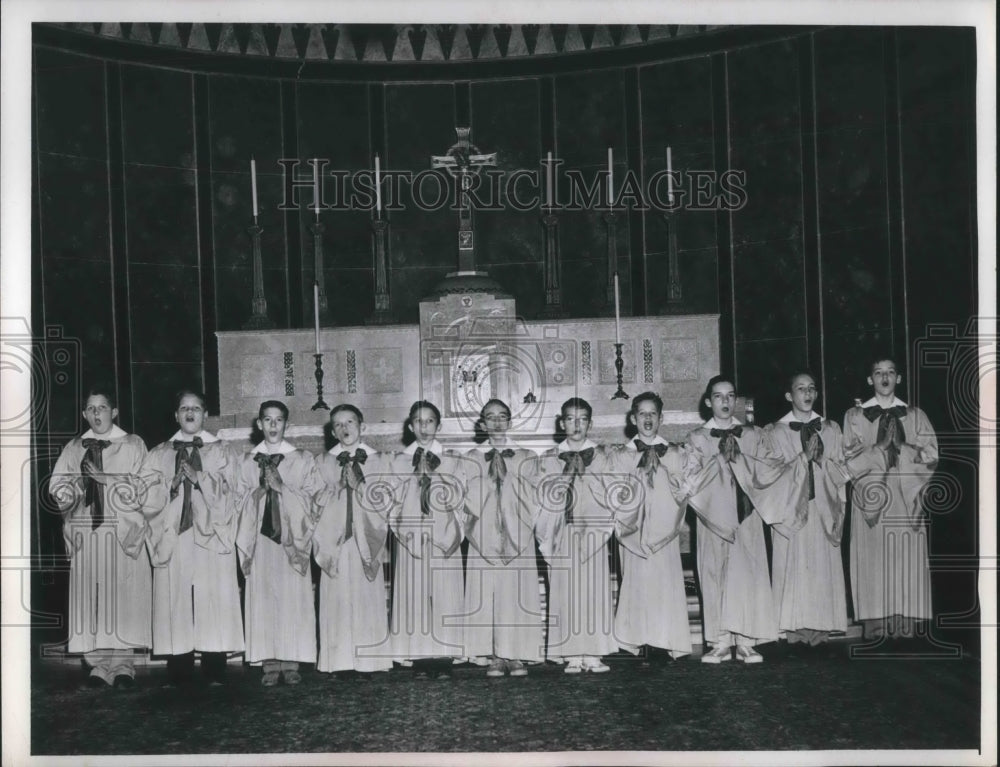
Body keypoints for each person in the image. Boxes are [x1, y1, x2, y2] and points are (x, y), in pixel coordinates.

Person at [48, 387, 151, 688]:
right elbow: (58, 487)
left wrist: (106, 479)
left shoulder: (132, 444)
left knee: (121, 596)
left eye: (102, 407)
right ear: (84, 413)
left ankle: (122, 664)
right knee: (93, 595)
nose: (96, 414)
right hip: (87, 530)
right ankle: (98, 664)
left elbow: (145, 486)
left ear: (114, 412)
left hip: (120, 529)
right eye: (90, 408)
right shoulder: (74, 447)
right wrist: (77, 487)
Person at [140, 389, 243, 686]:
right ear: (175, 414)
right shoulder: (159, 453)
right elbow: (144, 496)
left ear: (205, 415)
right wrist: (171, 486)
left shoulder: (222, 451)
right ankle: (179, 667)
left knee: (213, 596)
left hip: (211, 531)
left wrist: (200, 480)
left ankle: (214, 667)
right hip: (174, 531)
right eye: (184, 408)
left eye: (196, 408)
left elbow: (235, 492)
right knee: (175, 596)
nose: (189, 413)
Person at [530, 397, 640, 674]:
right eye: (570, 418)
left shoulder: (603, 456)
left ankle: (594, 652)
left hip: (594, 531)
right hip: (562, 531)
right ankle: (571, 653)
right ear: (561, 422)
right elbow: (540, 498)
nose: (576, 424)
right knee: (565, 591)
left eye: (582, 419)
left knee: (595, 591)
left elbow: (615, 492)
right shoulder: (548, 459)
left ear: (590, 423)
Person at [684, 376, 779, 664]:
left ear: (735, 400)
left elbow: (769, 471)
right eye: (718, 396)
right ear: (708, 401)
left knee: (747, 574)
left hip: (747, 515)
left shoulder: (753, 435)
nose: (725, 402)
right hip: (711, 517)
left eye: (730, 396)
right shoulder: (697, 438)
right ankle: (720, 641)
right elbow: (689, 481)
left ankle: (747, 641)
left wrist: (742, 461)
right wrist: (719, 461)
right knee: (714, 574)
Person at [842, 358, 937, 640]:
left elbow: (931, 454)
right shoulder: (856, 416)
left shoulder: (915, 415)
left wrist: (903, 449)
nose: (885, 377)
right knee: (874, 560)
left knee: (904, 558)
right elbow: (848, 459)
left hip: (906, 498)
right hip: (872, 498)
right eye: (878, 373)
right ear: (870, 380)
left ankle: (905, 627)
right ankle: (876, 626)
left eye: (891, 372)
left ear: (899, 378)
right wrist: (881, 449)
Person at [235, 400, 326, 686]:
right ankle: (269, 663)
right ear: (259, 424)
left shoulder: (302, 459)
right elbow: (238, 501)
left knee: (292, 599)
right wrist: (261, 492)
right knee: (263, 597)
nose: (273, 426)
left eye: (279, 420)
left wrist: (282, 489)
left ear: (287, 424)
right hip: (260, 539)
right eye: (267, 420)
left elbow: (315, 501)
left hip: (291, 539)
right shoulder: (246, 461)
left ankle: (291, 660)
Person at [757, 372, 849, 647]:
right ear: (789, 395)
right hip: (791, 512)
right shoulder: (774, 432)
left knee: (820, 568)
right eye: (800, 389)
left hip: (823, 508)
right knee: (793, 567)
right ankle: (793, 631)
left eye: (811, 389)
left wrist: (821, 461)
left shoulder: (831, 429)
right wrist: (802, 459)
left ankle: (820, 630)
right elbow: (768, 475)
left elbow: (843, 470)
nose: (807, 394)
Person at [387, 401, 469, 679]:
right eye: (418, 422)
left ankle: (443, 655)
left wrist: (449, 526)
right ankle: (420, 655)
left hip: (444, 535)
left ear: (438, 425)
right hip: (411, 536)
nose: (424, 428)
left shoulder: (454, 460)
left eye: (430, 421)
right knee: (415, 595)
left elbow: (463, 497)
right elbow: (391, 501)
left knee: (444, 594)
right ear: (410, 427)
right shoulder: (397, 461)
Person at [462, 399, 544, 677]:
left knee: (515, 594)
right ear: (482, 423)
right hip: (483, 534)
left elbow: (537, 496)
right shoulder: (471, 458)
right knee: (490, 594)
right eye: (490, 417)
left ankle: (517, 654)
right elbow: (464, 497)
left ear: (510, 421)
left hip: (518, 533)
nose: (497, 422)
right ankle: (495, 655)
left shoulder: (526, 456)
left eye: (502, 417)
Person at [313, 404, 394, 678]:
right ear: (332, 431)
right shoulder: (323, 462)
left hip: (365, 538)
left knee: (365, 597)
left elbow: (387, 500)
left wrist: (361, 487)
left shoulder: (379, 460)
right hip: (335, 538)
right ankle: (339, 660)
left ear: (362, 426)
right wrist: (336, 488)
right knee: (336, 598)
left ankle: (370, 660)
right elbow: (315, 501)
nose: (345, 428)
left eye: (350, 422)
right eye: (338, 424)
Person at [614, 392, 693, 661]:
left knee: (664, 584)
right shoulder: (621, 456)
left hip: (665, 533)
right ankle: (635, 640)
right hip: (633, 531)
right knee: (635, 583)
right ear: (633, 418)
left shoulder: (674, 453)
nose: (647, 419)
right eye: (642, 414)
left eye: (653, 414)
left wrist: (678, 487)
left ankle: (663, 639)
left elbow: (684, 491)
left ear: (661, 418)